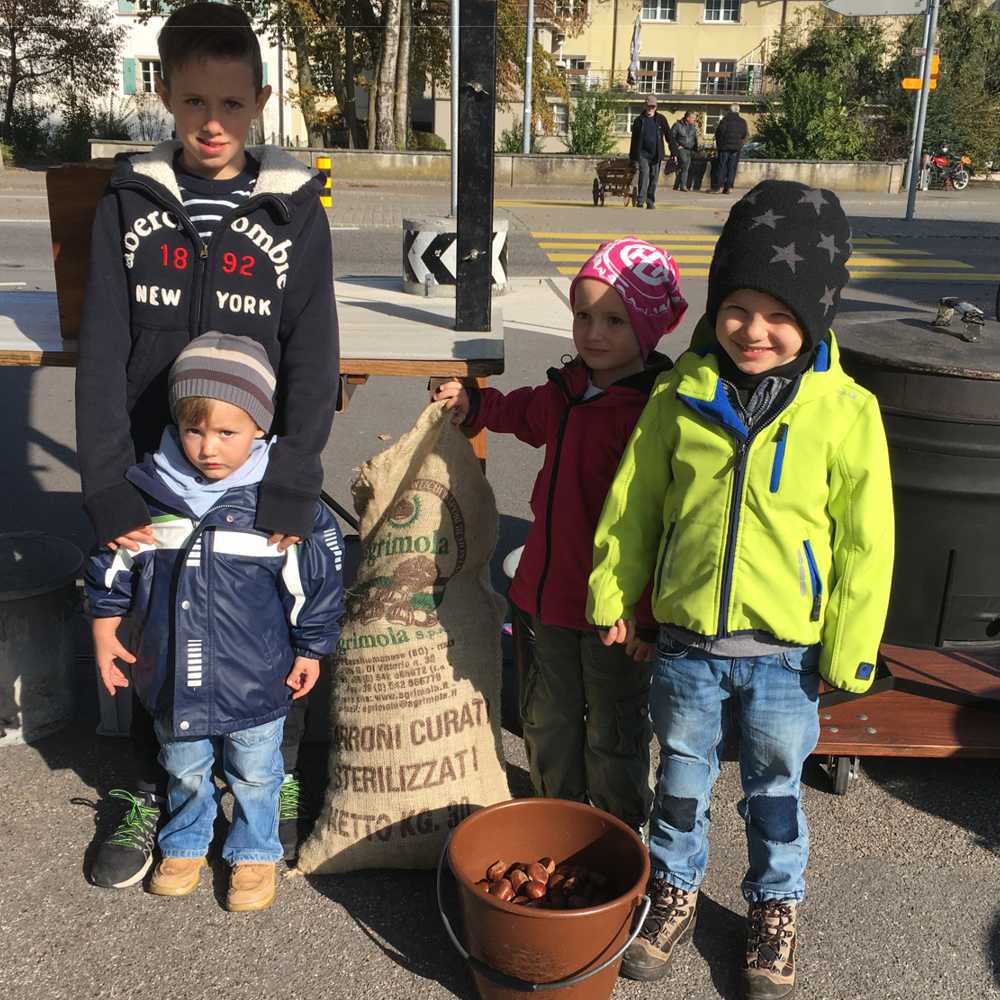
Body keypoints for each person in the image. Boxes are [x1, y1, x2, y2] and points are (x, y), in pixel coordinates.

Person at [588, 181, 893, 997]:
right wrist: (613, 591)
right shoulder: (680, 395)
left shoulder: (846, 410)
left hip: (786, 655)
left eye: (779, 315)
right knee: (680, 781)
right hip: (688, 646)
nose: (754, 331)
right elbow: (635, 503)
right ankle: (674, 889)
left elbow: (867, 542)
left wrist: (851, 650)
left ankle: (774, 906)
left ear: (816, 317)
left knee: (774, 792)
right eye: (737, 308)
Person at [74, 2, 339, 890]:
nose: (212, 122)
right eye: (193, 101)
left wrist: (293, 478)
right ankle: (155, 788)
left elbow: (313, 354)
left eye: (231, 103)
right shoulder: (129, 200)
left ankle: (271, 775)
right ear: (165, 95)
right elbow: (103, 349)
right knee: (151, 624)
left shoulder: (295, 208)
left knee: (261, 617)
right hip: (152, 468)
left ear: (260, 101)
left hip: (249, 466)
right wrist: (107, 485)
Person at [432, 239, 688, 833]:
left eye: (614, 321)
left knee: (614, 727)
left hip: (614, 611)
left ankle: (617, 830)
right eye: (583, 315)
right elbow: (524, 413)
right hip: (543, 598)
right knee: (547, 717)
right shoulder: (568, 390)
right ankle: (555, 817)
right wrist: (476, 406)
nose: (593, 333)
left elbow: (664, 525)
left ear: (647, 328)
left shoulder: (657, 411)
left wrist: (646, 615)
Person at [84, 335, 345, 912]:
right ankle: (184, 840)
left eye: (228, 432)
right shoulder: (147, 495)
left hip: (257, 679)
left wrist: (311, 648)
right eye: (193, 430)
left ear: (260, 426)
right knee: (184, 767)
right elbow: (112, 564)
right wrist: (104, 628)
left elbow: (313, 583)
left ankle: (254, 851)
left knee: (256, 771)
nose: (208, 448)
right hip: (173, 677)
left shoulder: (278, 503)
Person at [629, 96, 671, 210]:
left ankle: (650, 201)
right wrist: (633, 157)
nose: (650, 109)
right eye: (648, 106)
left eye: (652, 107)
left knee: (654, 178)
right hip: (643, 154)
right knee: (644, 176)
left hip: (656, 154)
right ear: (645, 106)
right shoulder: (639, 120)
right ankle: (640, 200)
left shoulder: (661, 119)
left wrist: (674, 153)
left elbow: (669, 136)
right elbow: (634, 140)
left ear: (656, 107)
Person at [713, 104, 749, 194]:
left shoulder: (725, 120)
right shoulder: (743, 122)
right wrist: (740, 144)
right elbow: (744, 134)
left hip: (724, 147)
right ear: (738, 111)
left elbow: (719, 133)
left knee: (722, 166)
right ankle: (728, 187)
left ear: (730, 110)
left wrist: (719, 145)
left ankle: (718, 187)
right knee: (732, 168)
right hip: (736, 148)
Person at [669, 111, 699, 192]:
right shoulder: (677, 125)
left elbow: (694, 138)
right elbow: (671, 137)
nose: (695, 119)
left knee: (685, 167)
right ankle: (683, 186)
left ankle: (677, 185)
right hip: (681, 149)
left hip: (690, 149)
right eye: (693, 118)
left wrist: (696, 148)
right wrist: (677, 146)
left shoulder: (693, 126)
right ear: (688, 118)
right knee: (685, 165)